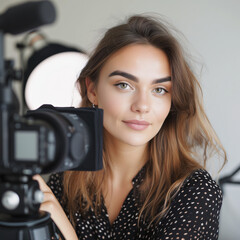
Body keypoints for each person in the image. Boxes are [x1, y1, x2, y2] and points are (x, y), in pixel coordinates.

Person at [34, 15, 227, 240]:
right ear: (92, 90)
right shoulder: (66, 180)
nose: (142, 106)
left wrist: (65, 229)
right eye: (124, 85)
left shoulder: (196, 191)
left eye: (160, 89)